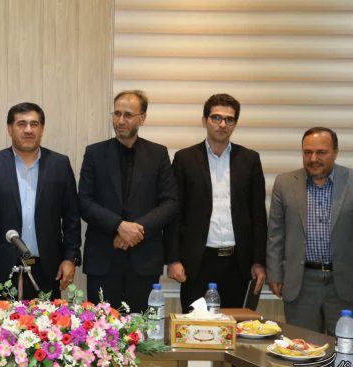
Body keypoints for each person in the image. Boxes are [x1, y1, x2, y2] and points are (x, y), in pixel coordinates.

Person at [165, 93, 267, 312]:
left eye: (229, 119)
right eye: (216, 118)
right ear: (205, 121)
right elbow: (175, 213)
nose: (223, 124)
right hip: (197, 262)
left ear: (235, 124)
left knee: (234, 326)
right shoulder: (185, 158)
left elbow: (258, 215)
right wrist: (173, 259)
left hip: (238, 263)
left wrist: (259, 261)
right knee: (195, 325)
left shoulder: (249, 159)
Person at [78, 90, 177, 312]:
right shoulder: (94, 153)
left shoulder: (158, 154)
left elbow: (170, 202)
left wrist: (135, 230)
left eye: (128, 115)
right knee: (100, 326)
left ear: (142, 118)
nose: (120, 120)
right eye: (117, 113)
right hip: (102, 257)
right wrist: (119, 226)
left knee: (142, 327)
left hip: (144, 258)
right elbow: (84, 201)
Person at [0, 102, 81, 300]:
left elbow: (71, 217)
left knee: (49, 320)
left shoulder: (59, 164)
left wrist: (69, 258)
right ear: (10, 129)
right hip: (2, 268)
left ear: (42, 129)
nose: (28, 130)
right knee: (0, 321)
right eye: (21, 124)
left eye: (34, 124)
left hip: (49, 268)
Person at [267, 127, 353, 335]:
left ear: (335, 152)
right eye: (307, 152)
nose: (313, 159)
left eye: (321, 152)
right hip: (301, 284)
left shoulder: (350, 181)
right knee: (301, 346)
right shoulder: (284, 183)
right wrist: (275, 274)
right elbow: (275, 234)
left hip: (344, 283)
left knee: (345, 347)